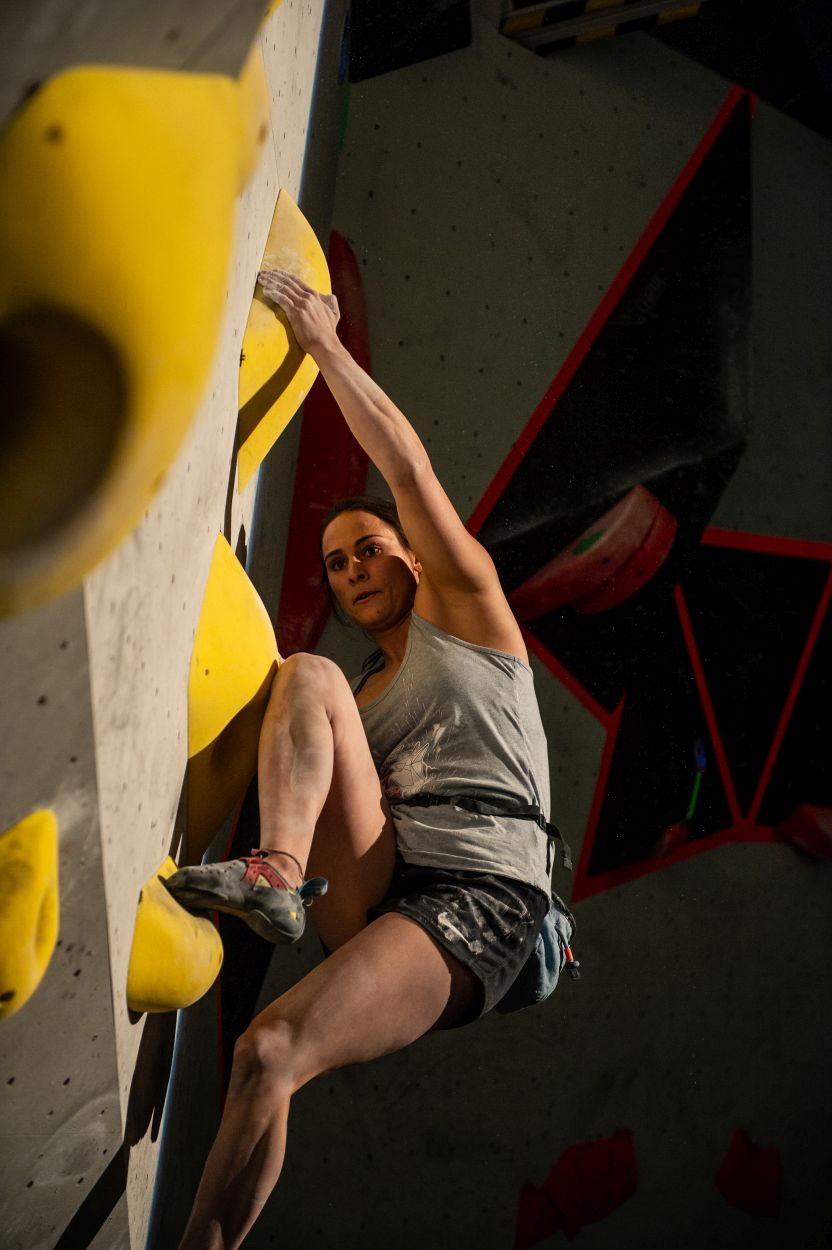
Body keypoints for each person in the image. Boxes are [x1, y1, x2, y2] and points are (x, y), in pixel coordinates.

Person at [165, 269, 572, 1250]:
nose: (353, 567)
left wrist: (321, 343)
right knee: (301, 677)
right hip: (380, 889)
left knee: (270, 1047)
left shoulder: (467, 615)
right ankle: (272, 873)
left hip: (485, 901)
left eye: (369, 547)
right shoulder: (352, 693)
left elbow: (406, 464)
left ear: (413, 559)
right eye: (337, 561)